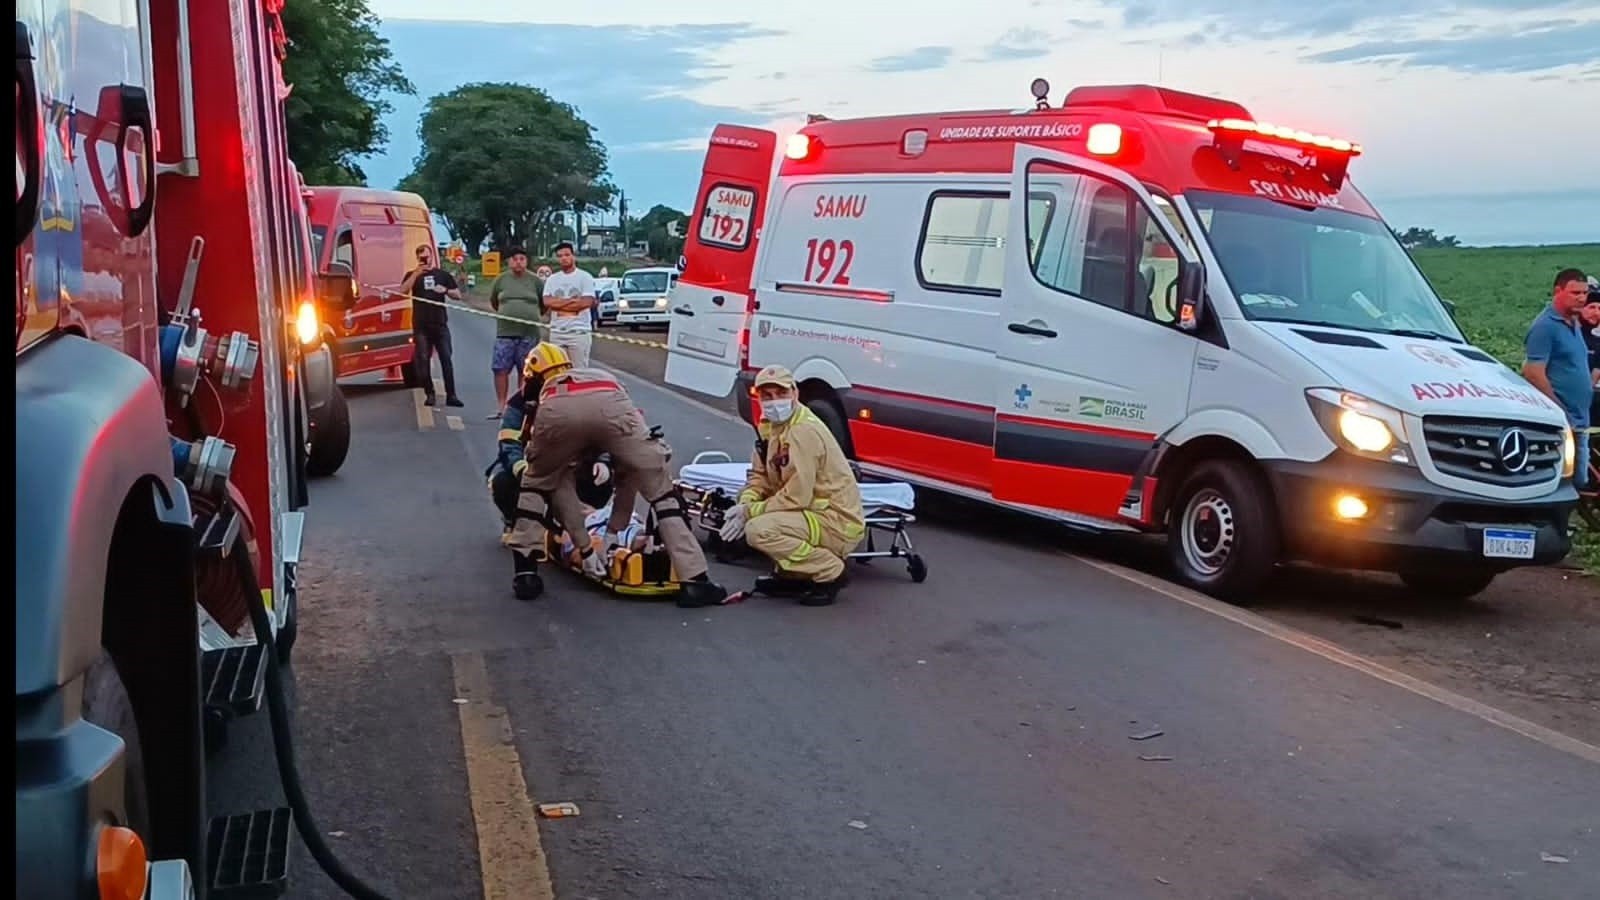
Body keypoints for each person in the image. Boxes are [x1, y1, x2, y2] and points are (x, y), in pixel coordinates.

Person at [503, 342, 727, 608]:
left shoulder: (541, 394)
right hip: (612, 403)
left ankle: (525, 574)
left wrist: (586, 549)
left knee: (537, 486)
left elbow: (553, 481)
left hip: (558, 413)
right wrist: (612, 533)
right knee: (661, 491)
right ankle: (696, 581)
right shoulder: (597, 375)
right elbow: (627, 475)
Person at [717, 366, 865, 606]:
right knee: (757, 518)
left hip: (835, 521)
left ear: (794, 393)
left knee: (759, 530)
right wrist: (746, 502)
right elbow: (759, 476)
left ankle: (829, 571)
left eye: (781, 393)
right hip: (813, 514)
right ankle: (794, 575)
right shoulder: (770, 427)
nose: (775, 401)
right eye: (767, 396)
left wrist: (748, 513)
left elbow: (798, 497)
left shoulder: (802, 431)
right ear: (758, 397)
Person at [487, 348, 614, 531]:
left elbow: (601, 435)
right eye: (550, 382)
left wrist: (603, 461)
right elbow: (509, 446)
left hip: (571, 469)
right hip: (533, 468)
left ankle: (586, 518)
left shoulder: (580, 399)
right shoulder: (518, 405)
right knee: (501, 482)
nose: (557, 388)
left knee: (603, 477)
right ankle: (513, 520)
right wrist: (525, 472)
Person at [1523, 268, 1594, 489]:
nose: (1582, 298)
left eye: (1584, 293)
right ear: (1558, 291)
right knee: (1567, 481)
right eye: (1575, 293)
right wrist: (1559, 409)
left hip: (1580, 418)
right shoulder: (1545, 327)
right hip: (1562, 420)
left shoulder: (1573, 322)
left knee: (1579, 480)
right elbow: (1533, 372)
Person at [402, 243, 464, 408]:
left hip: (440, 325)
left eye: (427, 256)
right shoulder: (412, 275)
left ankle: (451, 395)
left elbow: (458, 295)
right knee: (423, 359)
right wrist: (416, 273)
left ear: (432, 257)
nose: (425, 260)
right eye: (422, 257)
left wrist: (444, 290)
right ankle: (429, 393)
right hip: (421, 326)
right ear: (417, 258)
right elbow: (402, 291)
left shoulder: (442, 275)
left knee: (446, 359)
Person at [486, 247, 545, 419]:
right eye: (515, 259)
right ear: (509, 261)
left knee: (526, 371)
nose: (518, 262)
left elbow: (543, 304)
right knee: (500, 369)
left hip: (529, 333)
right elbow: (494, 302)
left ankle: (521, 406)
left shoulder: (535, 281)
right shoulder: (501, 280)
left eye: (522, 259)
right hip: (505, 333)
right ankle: (501, 406)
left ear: (526, 261)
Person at [539, 242, 597, 367]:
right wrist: (572, 301)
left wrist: (559, 304)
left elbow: (586, 302)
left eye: (567, 255)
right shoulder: (552, 279)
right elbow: (547, 301)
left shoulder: (585, 277)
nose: (563, 258)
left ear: (573, 256)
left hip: (579, 332)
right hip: (557, 332)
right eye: (560, 256)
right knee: (558, 371)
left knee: (579, 371)